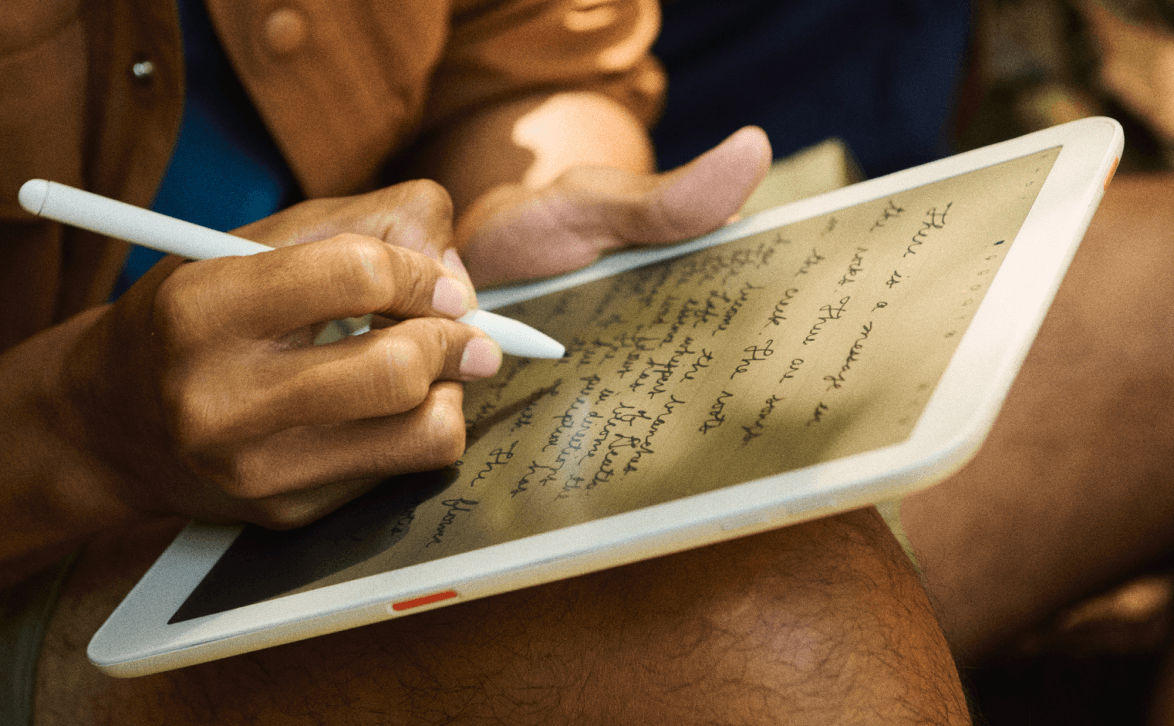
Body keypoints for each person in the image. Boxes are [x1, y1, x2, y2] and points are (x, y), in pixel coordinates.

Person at [2, 0, 972, 724]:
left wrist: (513, 206)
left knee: (1125, 296)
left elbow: (535, 57)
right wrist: (80, 429)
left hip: (402, 372)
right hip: (56, 530)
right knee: (789, 624)